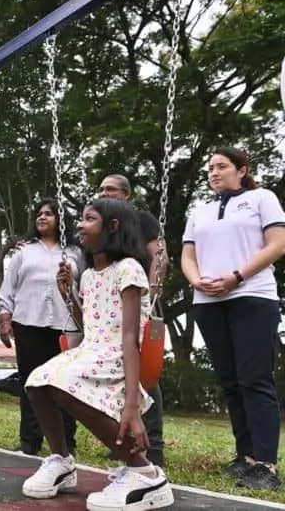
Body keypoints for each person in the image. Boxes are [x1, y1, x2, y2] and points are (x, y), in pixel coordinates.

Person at [22, 198, 174, 510]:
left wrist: (131, 405)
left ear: (112, 227)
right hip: (92, 349)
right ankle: (62, 461)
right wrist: (68, 296)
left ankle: (144, 472)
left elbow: (130, 336)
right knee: (37, 380)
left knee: (63, 382)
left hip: (119, 354)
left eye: (88, 219)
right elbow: (89, 323)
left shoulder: (129, 269)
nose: (79, 224)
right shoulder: (89, 276)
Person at [181, 147, 285, 491]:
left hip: (252, 296)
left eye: (221, 166)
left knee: (255, 377)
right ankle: (246, 457)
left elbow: (278, 243)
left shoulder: (261, 198)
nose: (213, 172)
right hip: (208, 301)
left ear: (242, 169)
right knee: (229, 380)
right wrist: (196, 281)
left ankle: (267, 465)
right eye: (210, 168)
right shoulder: (201, 211)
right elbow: (188, 254)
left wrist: (237, 276)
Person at [0, 199, 81, 456]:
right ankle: (29, 440)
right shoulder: (24, 252)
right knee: (31, 383)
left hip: (64, 325)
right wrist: (5, 318)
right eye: (39, 214)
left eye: (49, 213)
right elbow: (8, 288)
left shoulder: (75, 253)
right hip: (28, 323)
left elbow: (84, 287)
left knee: (64, 383)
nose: (42, 217)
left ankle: (66, 441)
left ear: (60, 219)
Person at [97, 173, 168, 467]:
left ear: (126, 195)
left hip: (137, 298)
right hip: (109, 304)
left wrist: (150, 295)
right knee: (116, 368)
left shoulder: (142, 219)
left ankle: (155, 447)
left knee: (143, 373)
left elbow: (159, 256)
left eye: (110, 189)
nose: (103, 193)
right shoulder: (104, 226)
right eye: (100, 189)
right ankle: (123, 441)